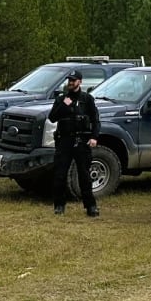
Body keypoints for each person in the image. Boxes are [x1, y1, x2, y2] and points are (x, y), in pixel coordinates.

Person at [48, 69, 101, 217]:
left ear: (80, 81)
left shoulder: (87, 99)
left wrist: (94, 137)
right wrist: (65, 103)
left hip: (82, 141)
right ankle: (59, 205)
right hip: (65, 140)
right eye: (69, 80)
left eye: (73, 80)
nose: (71, 82)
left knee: (84, 175)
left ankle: (91, 206)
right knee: (60, 174)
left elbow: (95, 120)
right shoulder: (61, 99)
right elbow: (52, 117)